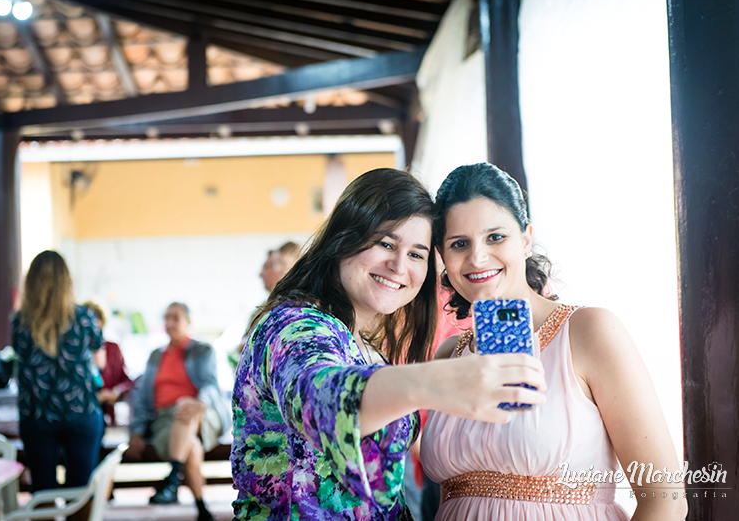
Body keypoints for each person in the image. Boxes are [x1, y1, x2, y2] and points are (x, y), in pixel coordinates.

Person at [231, 168, 547, 519]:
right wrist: (434, 382)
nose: (399, 266)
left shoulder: (364, 346)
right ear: (343, 239)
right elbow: (319, 397)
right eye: (386, 243)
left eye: (416, 254)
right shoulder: (294, 326)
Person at [419, 163, 687, 520]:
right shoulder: (447, 356)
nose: (477, 257)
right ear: (443, 256)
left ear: (526, 239)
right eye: (459, 244)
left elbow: (666, 497)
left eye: (495, 237)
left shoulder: (589, 332)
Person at [12, 250, 105, 520]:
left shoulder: (20, 321)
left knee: (42, 490)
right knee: (82, 489)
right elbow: (99, 361)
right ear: (67, 281)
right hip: (80, 411)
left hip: (37, 414)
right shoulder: (84, 317)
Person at [127, 302, 227, 521]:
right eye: (166, 318)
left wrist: (199, 401)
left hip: (202, 414)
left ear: (188, 322)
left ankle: (173, 478)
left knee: (185, 405)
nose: (169, 323)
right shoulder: (155, 356)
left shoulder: (202, 350)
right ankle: (200, 507)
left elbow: (211, 385)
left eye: (176, 318)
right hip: (166, 420)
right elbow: (142, 397)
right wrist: (135, 431)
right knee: (191, 447)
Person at [83, 301, 134, 427]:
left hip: (107, 415)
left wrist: (114, 392)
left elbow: (127, 382)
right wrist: (97, 396)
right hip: (83, 413)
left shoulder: (112, 348)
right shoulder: (74, 352)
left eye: (95, 319)